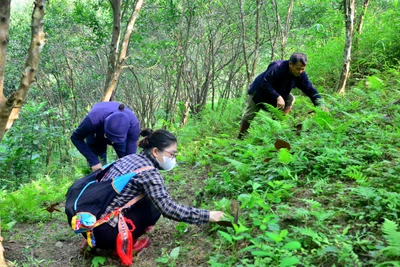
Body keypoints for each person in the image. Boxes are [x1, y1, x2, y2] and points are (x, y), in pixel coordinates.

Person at [89, 128, 225, 255]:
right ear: (155, 151)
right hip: (105, 232)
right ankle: (123, 243)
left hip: (88, 220)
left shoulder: (129, 158)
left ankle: (93, 237)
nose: (173, 159)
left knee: (146, 197)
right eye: (171, 154)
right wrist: (208, 215)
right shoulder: (149, 173)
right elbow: (168, 208)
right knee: (155, 207)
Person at [238, 52, 328, 139]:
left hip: (279, 92)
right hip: (259, 91)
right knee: (249, 115)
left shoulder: (301, 75)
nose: (300, 71)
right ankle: (240, 137)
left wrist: (321, 104)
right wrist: (278, 97)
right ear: (290, 64)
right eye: (297, 68)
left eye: (302, 69)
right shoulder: (277, 67)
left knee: (290, 99)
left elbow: (310, 90)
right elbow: (265, 83)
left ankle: (276, 128)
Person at [71, 101, 140, 171]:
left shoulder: (134, 127)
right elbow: (75, 137)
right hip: (97, 133)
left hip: (120, 137)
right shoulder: (93, 120)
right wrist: (94, 161)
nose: (112, 142)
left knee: (127, 164)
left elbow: (130, 157)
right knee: (98, 166)